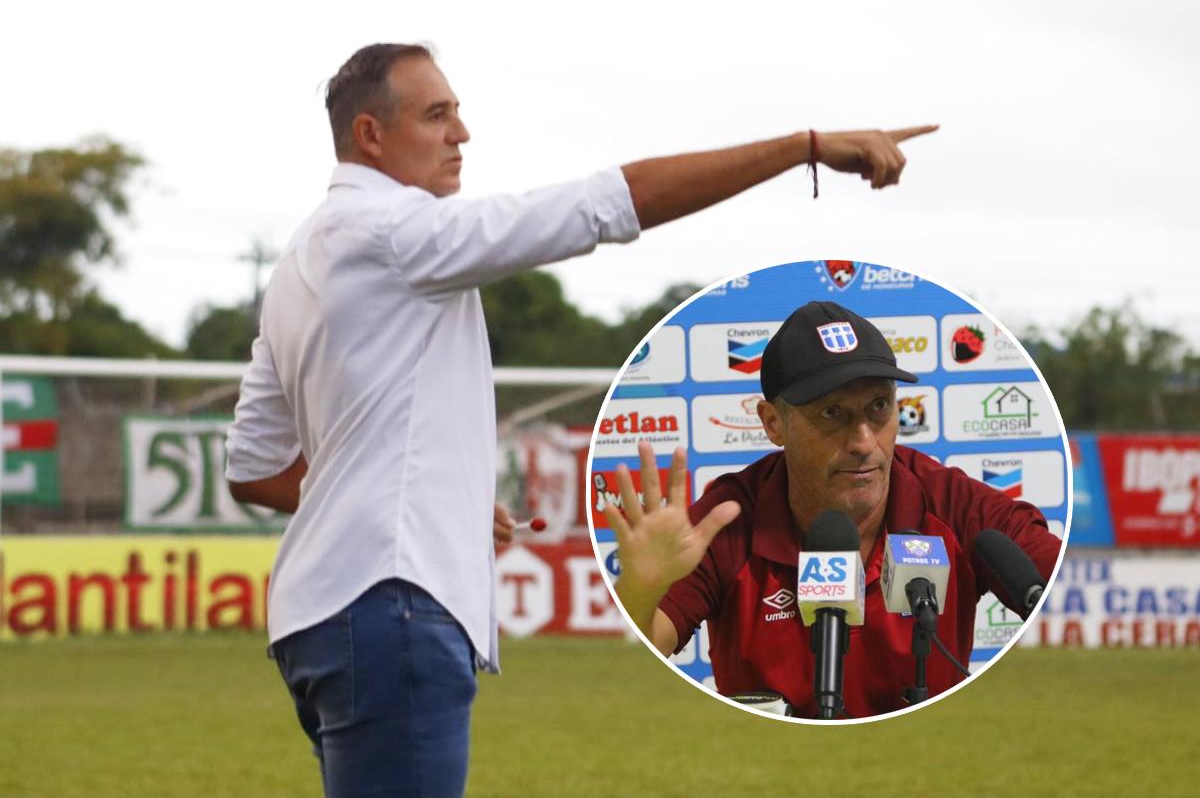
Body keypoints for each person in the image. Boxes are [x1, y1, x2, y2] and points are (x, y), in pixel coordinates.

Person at [223, 41, 937, 795]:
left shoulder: (297, 261)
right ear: (370, 135)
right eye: (437, 116)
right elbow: (605, 206)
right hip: (391, 606)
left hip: (315, 620)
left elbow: (255, 469)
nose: (461, 134)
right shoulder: (397, 233)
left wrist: (419, 504)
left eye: (458, 115)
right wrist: (806, 148)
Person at [608, 300, 1063, 719]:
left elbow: (1052, 588)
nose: (864, 443)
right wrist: (641, 591)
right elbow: (642, 654)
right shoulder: (727, 517)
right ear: (773, 423)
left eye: (879, 407)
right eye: (832, 414)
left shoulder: (954, 504)